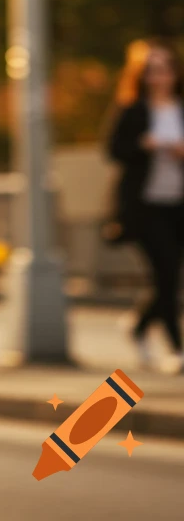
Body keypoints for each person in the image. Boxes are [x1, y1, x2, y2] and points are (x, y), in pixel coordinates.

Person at [109, 40, 184, 374]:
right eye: (152, 70)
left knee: (171, 276)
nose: (160, 76)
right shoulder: (133, 110)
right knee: (166, 270)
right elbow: (114, 149)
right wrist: (145, 144)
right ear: (141, 75)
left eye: (165, 68)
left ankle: (138, 326)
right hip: (145, 207)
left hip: (178, 205)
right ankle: (177, 349)